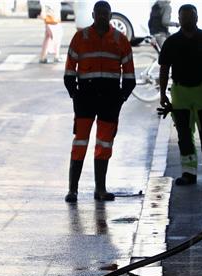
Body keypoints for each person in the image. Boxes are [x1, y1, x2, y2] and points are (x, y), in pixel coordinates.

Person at [63, 1, 135, 202]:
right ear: (93, 15)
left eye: (106, 13)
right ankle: (73, 190)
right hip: (86, 97)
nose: (103, 16)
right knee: (80, 142)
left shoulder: (120, 40)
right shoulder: (81, 38)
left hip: (110, 99)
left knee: (104, 144)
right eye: (99, 13)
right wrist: (74, 94)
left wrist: (121, 98)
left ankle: (100, 189)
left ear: (110, 15)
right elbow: (69, 71)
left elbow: (129, 76)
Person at [158, 4, 202, 187]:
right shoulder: (171, 42)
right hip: (180, 93)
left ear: (197, 18)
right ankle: (188, 173)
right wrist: (162, 94)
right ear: (179, 19)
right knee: (184, 135)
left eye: (191, 16)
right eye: (184, 17)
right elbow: (164, 69)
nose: (187, 19)